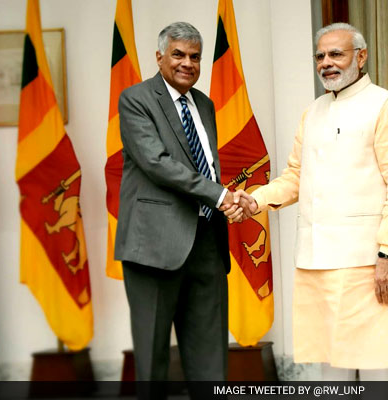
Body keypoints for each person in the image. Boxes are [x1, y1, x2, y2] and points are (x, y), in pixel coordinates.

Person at [226, 22, 388, 380]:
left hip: (365, 261)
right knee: (331, 364)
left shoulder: (384, 105)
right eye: (320, 56)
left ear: (361, 57)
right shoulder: (313, 111)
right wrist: (255, 201)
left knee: (372, 361)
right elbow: (295, 176)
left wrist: (387, 253)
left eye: (336, 54)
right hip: (315, 260)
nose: (326, 63)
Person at [115, 21, 243, 391]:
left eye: (195, 57)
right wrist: (219, 195)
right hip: (154, 246)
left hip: (207, 242)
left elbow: (206, 165)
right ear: (159, 57)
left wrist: (227, 202)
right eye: (178, 54)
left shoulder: (205, 104)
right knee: (153, 359)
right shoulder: (136, 99)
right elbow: (157, 163)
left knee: (210, 358)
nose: (187, 63)